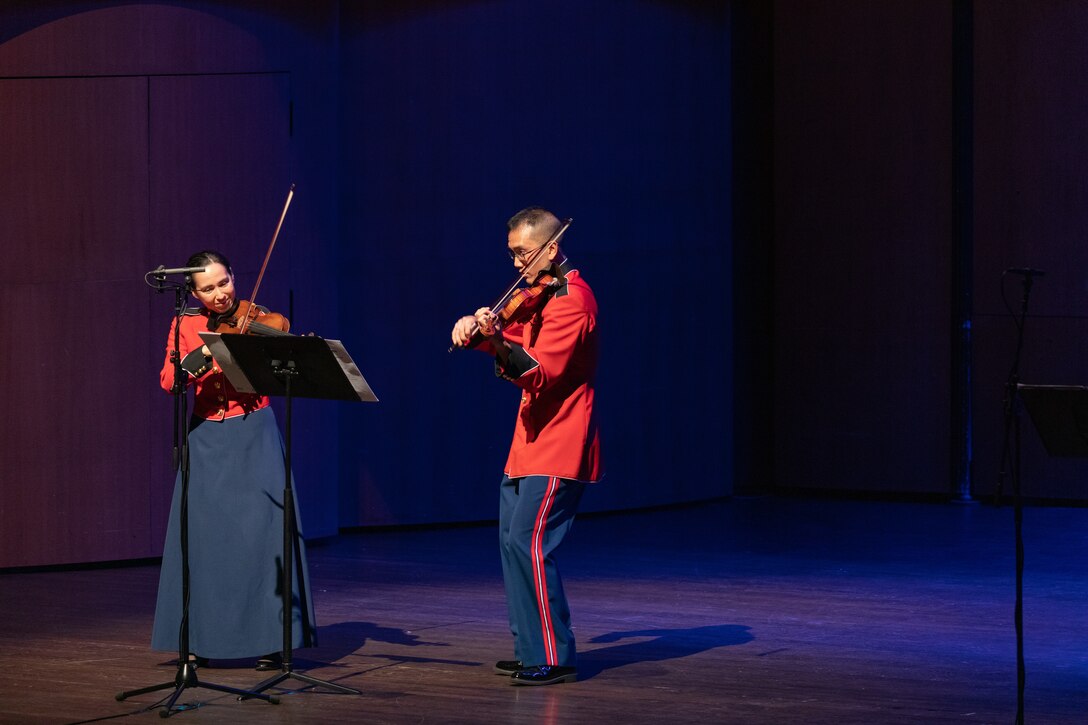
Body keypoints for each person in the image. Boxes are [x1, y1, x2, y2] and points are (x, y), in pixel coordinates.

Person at [450, 207, 602, 686]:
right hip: (529, 441)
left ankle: (554, 656)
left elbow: (539, 371)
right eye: (512, 252)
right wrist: (478, 333)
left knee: (529, 544)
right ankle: (530, 648)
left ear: (551, 248)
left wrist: (495, 340)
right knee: (510, 544)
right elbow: (513, 338)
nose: (516, 264)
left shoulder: (572, 300)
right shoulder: (540, 298)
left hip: (560, 440)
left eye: (523, 252)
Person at [150, 250, 316, 670]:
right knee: (203, 540)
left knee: (265, 536)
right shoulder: (184, 325)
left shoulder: (255, 317)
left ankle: (272, 639)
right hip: (206, 437)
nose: (221, 294)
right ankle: (198, 637)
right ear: (193, 292)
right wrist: (206, 357)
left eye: (224, 283)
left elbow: (283, 352)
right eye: (208, 289)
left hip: (254, 429)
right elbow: (171, 382)